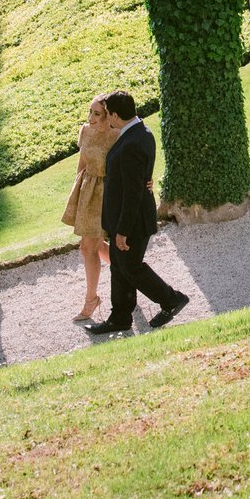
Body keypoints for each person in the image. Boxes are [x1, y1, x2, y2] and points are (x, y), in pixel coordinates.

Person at [84, 90, 190, 336]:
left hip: (131, 221)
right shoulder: (138, 132)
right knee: (119, 268)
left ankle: (172, 300)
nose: (106, 117)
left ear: (116, 115)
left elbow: (132, 193)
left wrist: (121, 231)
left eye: (108, 113)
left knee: (131, 268)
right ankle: (120, 317)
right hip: (124, 218)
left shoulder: (132, 142)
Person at [60, 97, 114, 321]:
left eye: (97, 114)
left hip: (106, 192)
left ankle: (91, 299)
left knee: (88, 246)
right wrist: (77, 191)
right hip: (87, 191)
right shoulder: (85, 130)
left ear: (109, 115)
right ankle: (129, 273)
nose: (91, 118)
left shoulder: (117, 135)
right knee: (90, 245)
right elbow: (82, 162)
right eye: (90, 112)